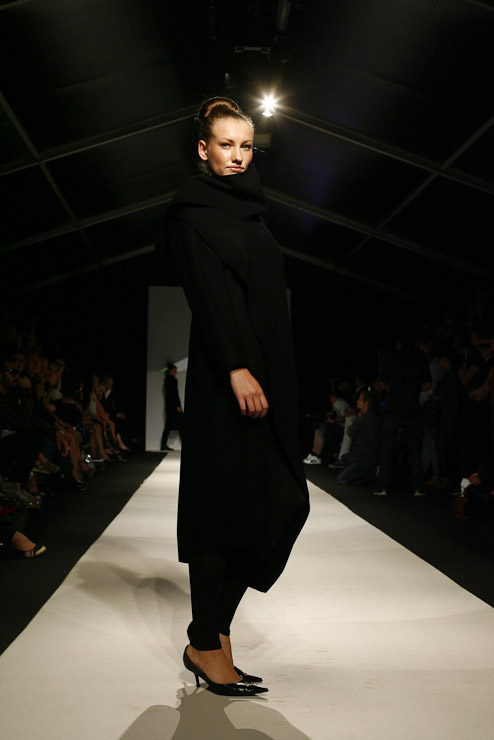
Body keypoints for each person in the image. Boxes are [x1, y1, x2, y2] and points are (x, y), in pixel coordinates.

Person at [166, 96, 310, 696]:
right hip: (227, 379)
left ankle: (212, 633)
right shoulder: (192, 211)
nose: (237, 155)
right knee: (219, 509)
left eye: (246, 145)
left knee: (281, 503)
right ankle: (207, 641)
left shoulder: (252, 212)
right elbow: (207, 296)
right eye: (226, 144)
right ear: (204, 148)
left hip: (266, 375)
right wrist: (236, 367)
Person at [160, 364, 183, 451]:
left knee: (170, 426)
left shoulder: (168, 380)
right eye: (174, 370)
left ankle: (163, 445)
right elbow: (174, 394)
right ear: (171, 370)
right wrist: (177, 406)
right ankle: (163, 445)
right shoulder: (172, 380)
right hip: (174, 407)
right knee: (179, 425)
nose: (176, 372)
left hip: (170, 407)